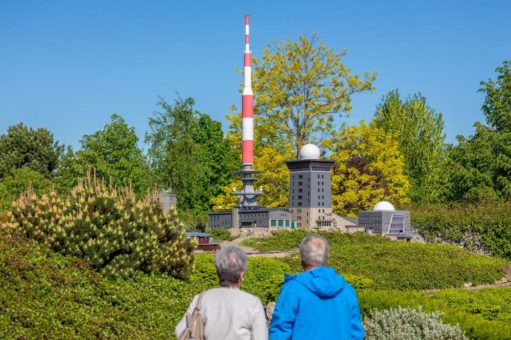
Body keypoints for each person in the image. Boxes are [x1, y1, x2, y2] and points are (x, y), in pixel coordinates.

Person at [269, 235, 364, 339]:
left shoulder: (293, 289)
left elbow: (280, 331)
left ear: (302, 258)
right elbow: (356, 334)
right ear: (327, 257)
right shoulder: (347, 290)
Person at [175, 246, 268, 340]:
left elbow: (181, 331)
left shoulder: (200, 299)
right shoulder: (253, 303)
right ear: (242, 275)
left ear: (218, 272)